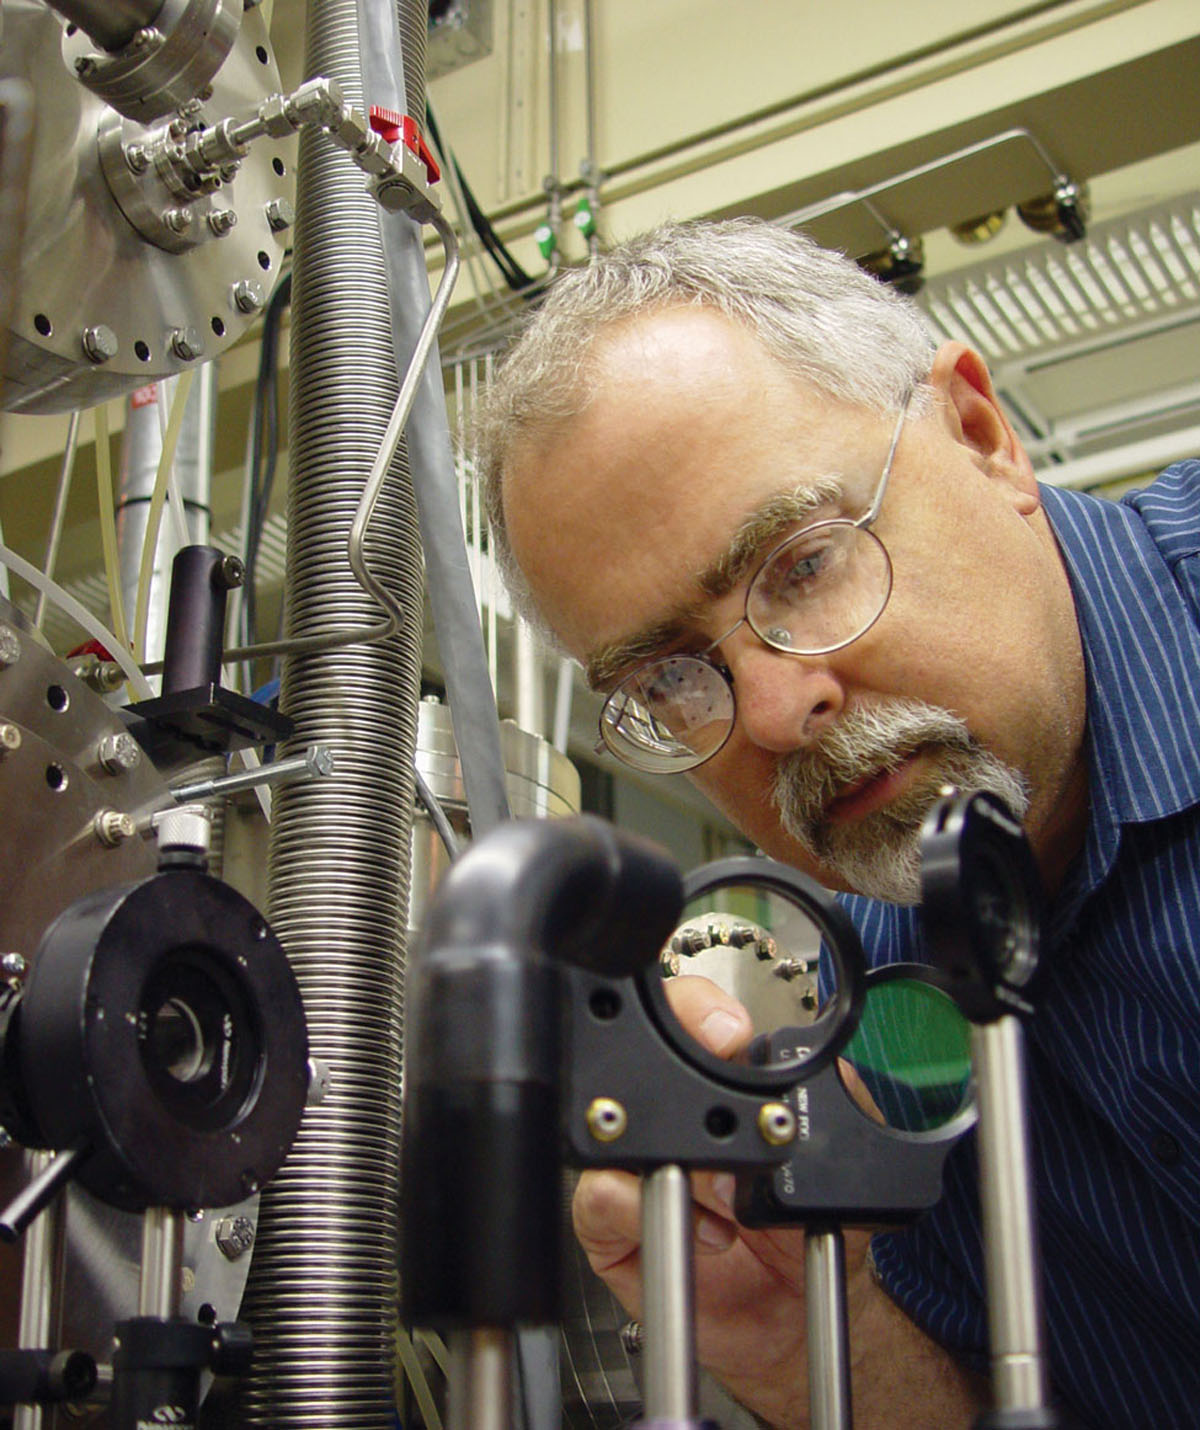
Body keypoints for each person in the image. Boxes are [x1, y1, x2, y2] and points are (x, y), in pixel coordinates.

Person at [472, 218, 1200, 1430]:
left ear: (981, 436)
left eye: (803, 564)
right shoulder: (863, 1028)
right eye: (668, 680)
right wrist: (814, 1334)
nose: (772, 709)